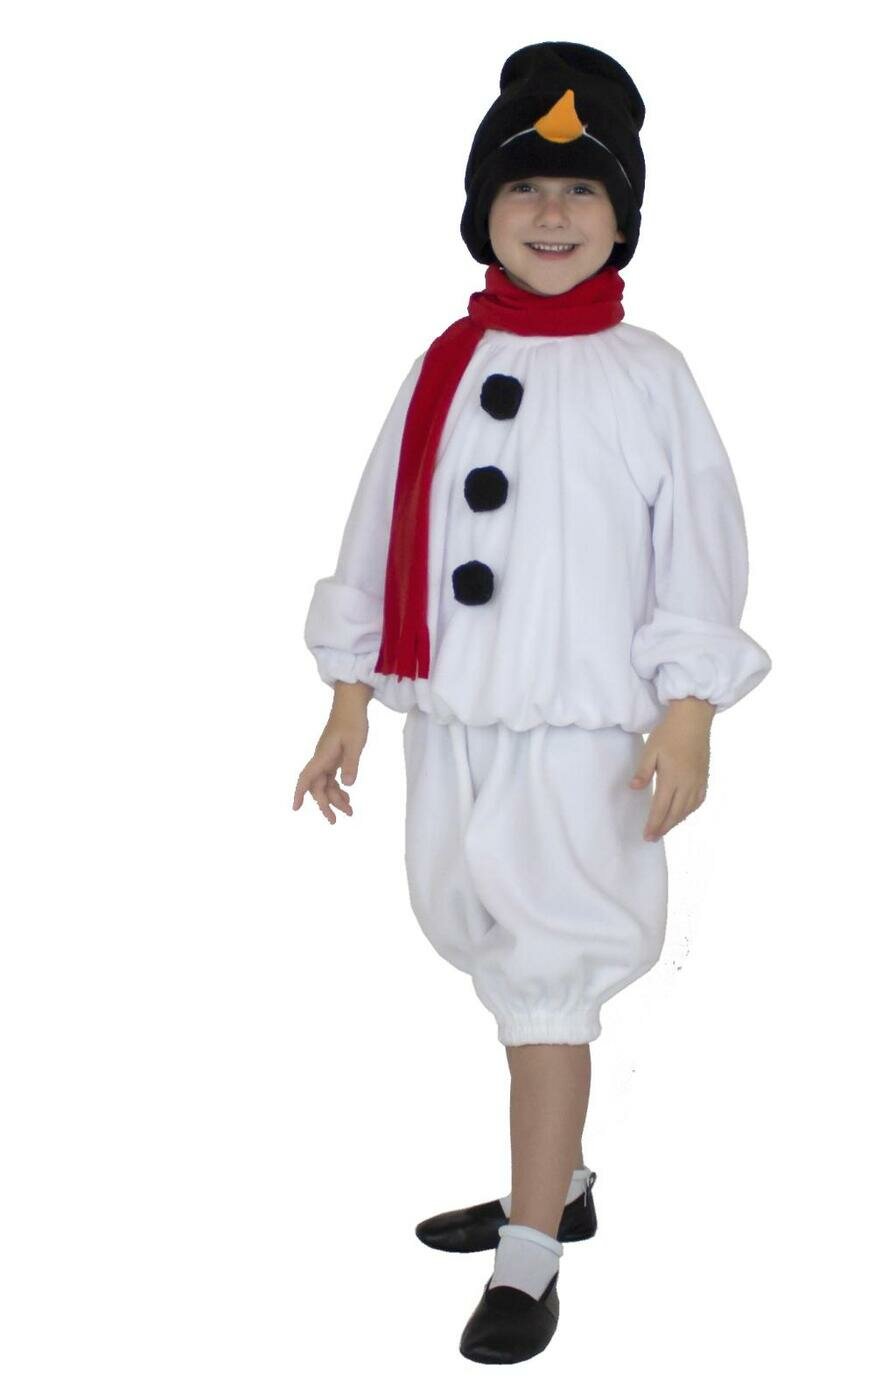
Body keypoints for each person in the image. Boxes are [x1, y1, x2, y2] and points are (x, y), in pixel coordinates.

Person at [292, 41, 772, 1364]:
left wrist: (688, 705)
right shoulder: (442, 365)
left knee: (550, 973)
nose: (550, 214)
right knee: (474, 931)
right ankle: (556, 1181)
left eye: (580, 190)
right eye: (523, 188)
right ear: (482, 212)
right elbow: (380, 522)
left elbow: (697, 546)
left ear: (621, 219)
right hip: (454, 719)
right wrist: (349, 698)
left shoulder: (648, 375)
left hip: (579, 732)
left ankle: (531, 1254)